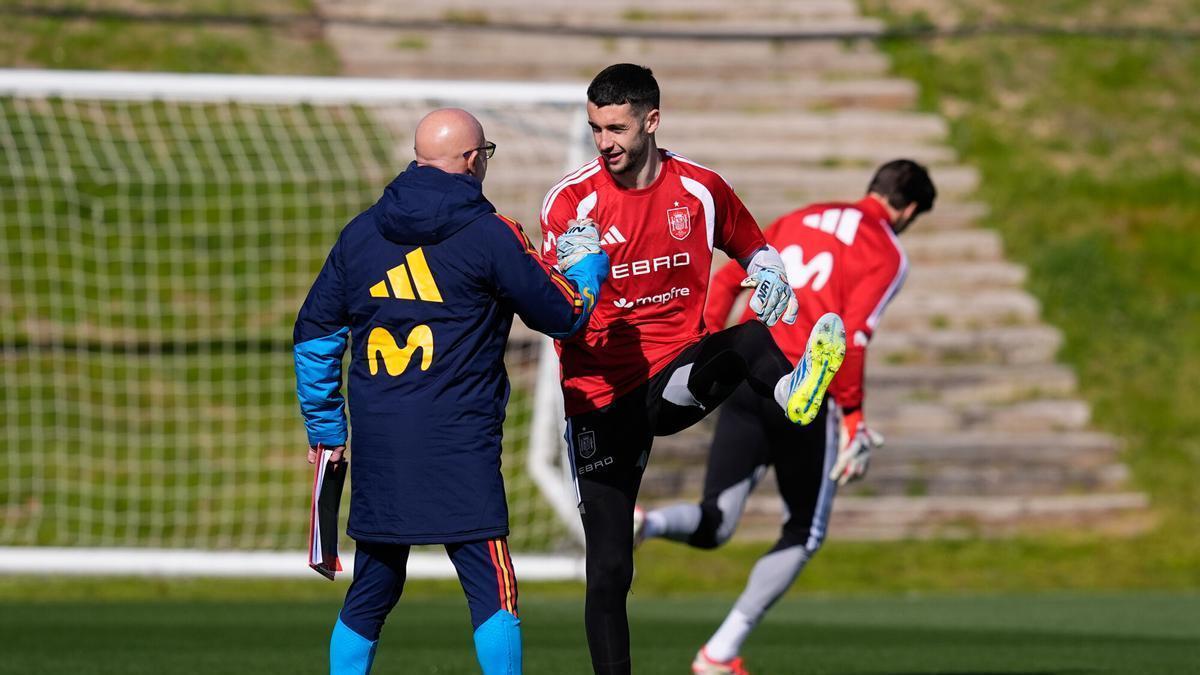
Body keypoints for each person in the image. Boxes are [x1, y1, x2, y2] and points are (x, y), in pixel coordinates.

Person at [540, 63, 847, 675]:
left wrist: (767, 267)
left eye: (617, 128)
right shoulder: (571, 202)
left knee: (754, 336)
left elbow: (750, 242)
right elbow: (553, 311)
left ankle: (793, 393)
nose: (605, 143)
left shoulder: (701, 190)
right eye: (596, 128)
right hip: (598, 397)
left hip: (672, 375)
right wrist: (574, 275)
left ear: (652, 121)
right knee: (608, 569)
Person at [293, 108, 608, 675]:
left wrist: (325, 429)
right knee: (493, 592)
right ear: (470, 161)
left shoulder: (361, 232)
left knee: (372, 591)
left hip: (382, 444)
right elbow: (565, 316)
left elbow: (314, 339)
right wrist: (589, 265)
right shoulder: (491, 234)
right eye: (484, 155)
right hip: (459, 443)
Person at [637, 159, 937, 675]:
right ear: (908, 209)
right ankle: (719, 653)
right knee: (805, 530)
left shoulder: (802, 216)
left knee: (716, 523)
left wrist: (708, 340)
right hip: (802, 389)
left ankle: (647, 522)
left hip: (750, 377)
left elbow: (732, 276)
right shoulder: (887, 250)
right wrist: (855, 418)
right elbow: (854, 336)